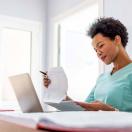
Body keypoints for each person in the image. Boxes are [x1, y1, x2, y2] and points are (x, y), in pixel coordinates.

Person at [43, 17, 132, 112]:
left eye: (101, 46)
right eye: (95, 50)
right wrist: (58, 93)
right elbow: (84, 108)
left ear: (117, 40)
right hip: (98, 126)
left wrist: (111, 111)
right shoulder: (102, 78)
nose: (98, 53)